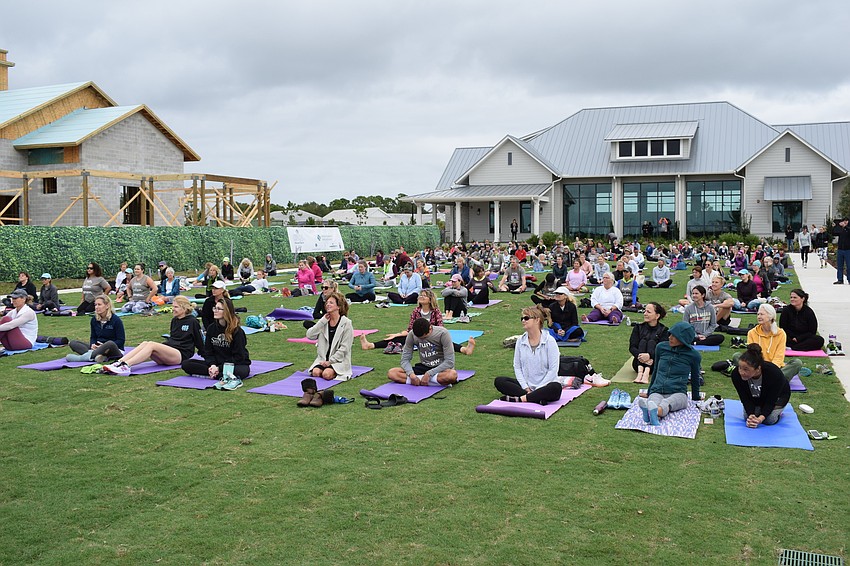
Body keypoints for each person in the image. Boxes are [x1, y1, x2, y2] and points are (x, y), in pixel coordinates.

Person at [494, 305, 580, 404]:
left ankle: (522, 399)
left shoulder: (549, 341)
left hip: (546, 385)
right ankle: (536, 398)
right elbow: (517, 367)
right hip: (527, 386)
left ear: (537, 320)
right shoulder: (520, 341)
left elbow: (553, 370)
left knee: (555, 387)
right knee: (500, 381)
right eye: (522, 318)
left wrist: (539, 389)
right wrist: (525, 387)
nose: (523, 320)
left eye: (526, 318)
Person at [103, 296, 204, 376]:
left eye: (176, 307)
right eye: (173, 306)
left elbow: (199, 341)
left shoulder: (192, 321)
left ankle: (126, 366)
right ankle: (119, 362)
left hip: (181, 355)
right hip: (170, 351)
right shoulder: (174, 320)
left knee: (151, 345)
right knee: (145, 343)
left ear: (184, 308)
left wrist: (207, 356)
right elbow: (174, 338)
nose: (173, 309)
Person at [359, 289, 475, 355]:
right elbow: (410, 330)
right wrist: (398, 334)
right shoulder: (416, 311)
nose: (421, 297)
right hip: (416, 337)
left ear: (430, 300)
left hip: (432, 336)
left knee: (446, 342)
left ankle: (465, 349)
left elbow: (441, 328)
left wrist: (430, 335)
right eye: (420, 296)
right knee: (395, 339)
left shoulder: (436, 312)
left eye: (424, 296)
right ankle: (370, 345)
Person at [636, 321, 701, 426]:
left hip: (678, 392)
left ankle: (651, 414)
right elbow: (656, 370)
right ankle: (652, 415)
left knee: (667, 403)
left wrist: (696, 397)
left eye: (674, 336)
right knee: (653, 401)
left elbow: (695, 377)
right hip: (658, 390)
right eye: (670, 334)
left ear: (683, 338)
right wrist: (649, 391)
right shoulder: (661, 347)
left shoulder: (693, 355)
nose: (670, 337)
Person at [182, 297, 251, 390]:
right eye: (215, 308)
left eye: (219, 309)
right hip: (216, 364)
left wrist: (219, 368)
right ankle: (217, 374)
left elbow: (239, 357)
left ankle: (217, 374)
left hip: (233, 364)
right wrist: (213, 365)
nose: (215, 311)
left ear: (226, 311)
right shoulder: (211, 328)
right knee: (186, 364)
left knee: (242, 371)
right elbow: (208, 352)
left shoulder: (237, 332)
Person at [731, 344, 791, 427]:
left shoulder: (774, 374)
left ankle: (776, 411)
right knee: (747, 417)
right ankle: (759, 409)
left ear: (758, 369)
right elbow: (744, 398)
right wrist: (751, 415)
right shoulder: (736, 375)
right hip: (756, 398)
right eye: (740, 368)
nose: (741, 372)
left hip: (778, 397)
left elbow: (771, 400)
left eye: (746, 369)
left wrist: (760, 418)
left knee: (769, 420)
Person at [740, 303, 802, 380]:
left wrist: (771, 370)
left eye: (762, 314)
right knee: (737, 356)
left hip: (774, 368)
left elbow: (779, 356)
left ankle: (771, 379)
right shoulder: (752, 333)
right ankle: (775, 379)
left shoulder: (780, 333)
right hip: (757, 368)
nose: (759, 316)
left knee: (797, 363)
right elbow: (752, 356)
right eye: (758, 314)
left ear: (770, 316)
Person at [305, 292, 353, 381]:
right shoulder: (324, 321)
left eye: (331, 303)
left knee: (326, 374)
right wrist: (321, 322)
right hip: (323, 359)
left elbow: (345, 348)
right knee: (315, 372)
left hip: (338, 360)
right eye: (327, 303)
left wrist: (330, 362)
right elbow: (310, 335)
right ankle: (325, 367)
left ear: (338, 306)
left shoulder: (346, 323)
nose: (328, 305)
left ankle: (335, 371)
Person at [66, 295, 125, 363]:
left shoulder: (116, 320)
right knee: (73, 343)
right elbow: (93, 337)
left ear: (107, 306)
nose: (96, 307)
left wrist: (103, 346)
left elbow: (121, 341)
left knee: (110, 343)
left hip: (113, 349)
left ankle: (82, 358)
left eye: (99, 304)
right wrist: (93, 344)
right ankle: (100, 357)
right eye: (95, 305)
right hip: (97, 348)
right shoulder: (94, 320)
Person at [629, 302, 669, 384]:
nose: (645, 314)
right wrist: (641, 356)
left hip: (655, 365)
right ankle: (640, 374)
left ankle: (646, 373)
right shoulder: (638, 327)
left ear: (657, 316)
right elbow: (632, 347)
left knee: (651, 342)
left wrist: (650, 356)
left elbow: (663, 350)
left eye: (648, 312)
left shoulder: (664, 330)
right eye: (645, 311)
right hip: (638, 363)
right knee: (643, 342)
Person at [0, 289, 38, 353]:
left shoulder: (29, 312)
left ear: (24, 299)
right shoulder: (13, 311)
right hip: (12, 343)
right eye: (12, 298)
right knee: (5, 319)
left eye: (16, 298)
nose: (13, 300)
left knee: (7, 320)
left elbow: (10, 326)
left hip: (25, 343)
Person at [834, 217, 850, 284]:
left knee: (849, 265)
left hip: (848, 249)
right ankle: (840, 279)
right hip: (840, 249)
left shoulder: (848, 228)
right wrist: (836, 226)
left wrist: (845, 227)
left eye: (845, 221)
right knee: (839, 265)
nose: (844, 222)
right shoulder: (841, 229)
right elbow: (834, 233)